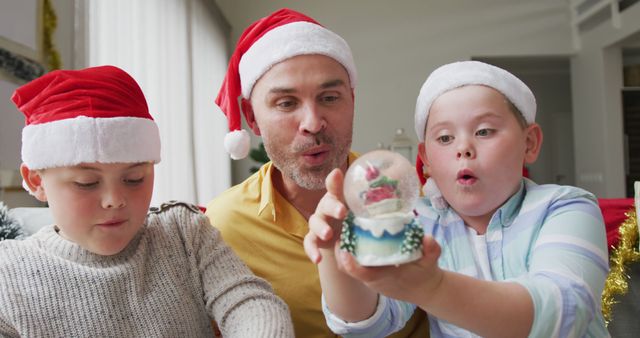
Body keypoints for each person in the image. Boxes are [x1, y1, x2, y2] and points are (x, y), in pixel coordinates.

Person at [304, 60, 609, 337]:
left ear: (529, 142)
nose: (463, 148)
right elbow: (370, 324)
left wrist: (434, 287)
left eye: (485, 131)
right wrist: (334, 255)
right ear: (427, 161)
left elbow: (563, 312)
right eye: (445, 138)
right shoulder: (419, 221)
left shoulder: (565, 208)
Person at [0, 65, 293, 337]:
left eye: (134, 179)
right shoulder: (7, 273)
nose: (114, 200)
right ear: (37, 181)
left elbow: (250, 302)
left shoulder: (184, 233)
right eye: (86, 183)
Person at [205, 8, 429, 338]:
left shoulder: (408, 194)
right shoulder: (221, 229)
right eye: (286, 103)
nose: (312, 123)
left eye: (329, 98)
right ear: (251, 118)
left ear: (352, 101)